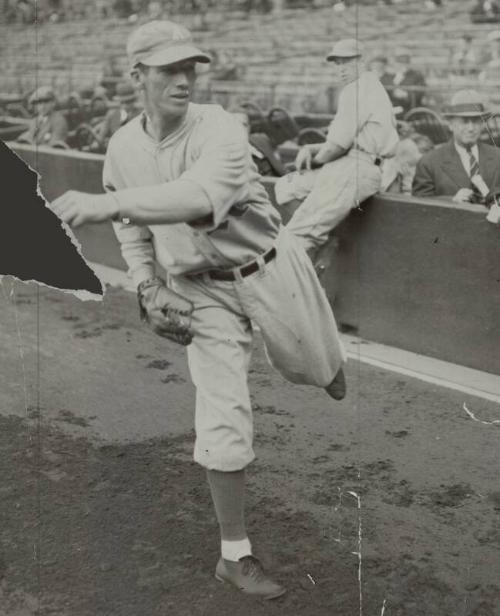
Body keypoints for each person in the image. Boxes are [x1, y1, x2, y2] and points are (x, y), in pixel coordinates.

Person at [51, 20, 347, 600]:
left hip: (268, 266)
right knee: (222, 412)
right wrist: (144, 287)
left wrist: (105, 201)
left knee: (316, 369)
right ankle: (234, 555)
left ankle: (324, 363)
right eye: (169, 68)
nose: (184, 78)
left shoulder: (220, 128)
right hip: (200, 290)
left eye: (190, 66)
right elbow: (132, 231)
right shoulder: (122, 148)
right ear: (137, 75)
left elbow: (197, 196)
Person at [275, 38, 399, 255]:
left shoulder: (358, 89)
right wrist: (312, 148)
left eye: (347, 62)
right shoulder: (369, 86)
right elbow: (347, 141)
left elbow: (337, 148)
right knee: (286, 188)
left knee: (298, 236)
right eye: (338, 63)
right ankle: (328, 237)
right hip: (354, 163)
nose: (341, 69)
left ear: (363, 61)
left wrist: (315, 159)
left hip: (356, 168)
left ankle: (312, 254)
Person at [412, 90, 500, 201]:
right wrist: (451, 201)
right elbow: (418, 207)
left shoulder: (497, 157)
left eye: (476, 121)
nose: (471, 128)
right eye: (464, 122)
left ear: (483, 124)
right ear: (450, 124)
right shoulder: (429, 163)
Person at [231, 106, 285, 177]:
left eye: (244, 125)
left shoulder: (261, 140)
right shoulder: (226, 154)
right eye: (235, 125)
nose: (240, 129)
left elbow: (280, 167)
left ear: (249, 128)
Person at [96, 81, 140, 146]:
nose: (125, 106)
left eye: (129, 102)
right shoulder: (111, 115)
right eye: (122, 102)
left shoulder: (141, 116)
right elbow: (100, 138)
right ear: (119, 102)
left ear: (134, 101)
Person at [389, 47, 426, 114]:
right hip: (391, 109)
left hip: (409, 110)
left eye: (405, 61)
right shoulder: (389, 76)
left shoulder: (416, 76)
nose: (402, 65)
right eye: (399, 61)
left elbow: (420, 93)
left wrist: (405, 95)